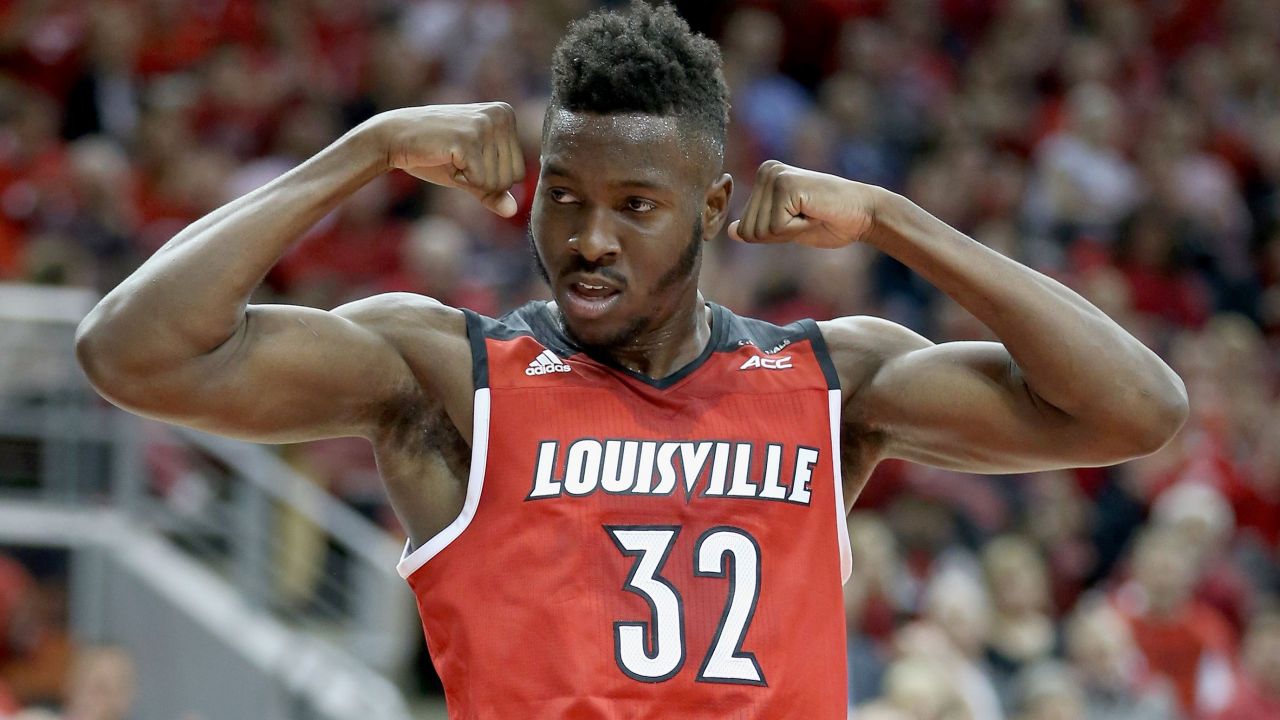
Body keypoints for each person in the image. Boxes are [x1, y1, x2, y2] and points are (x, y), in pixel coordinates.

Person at [74, 2, 1187, 717]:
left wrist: (900, 223)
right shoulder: (449, 376)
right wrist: (363, 151)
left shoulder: (831, 382)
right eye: (561, 197)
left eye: (633, 206)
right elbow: (131, 352)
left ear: (708, 209)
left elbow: (1135, 410)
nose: (586, 238)